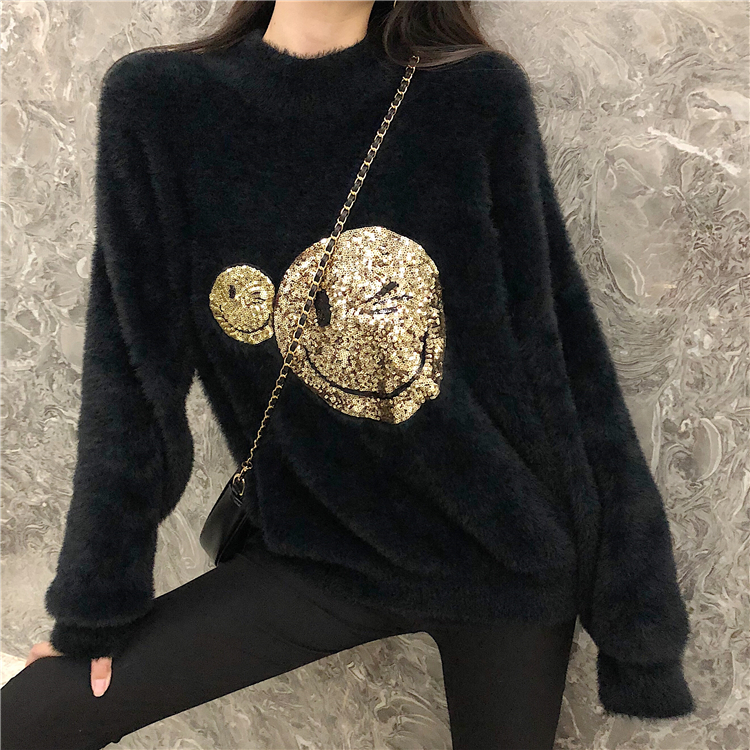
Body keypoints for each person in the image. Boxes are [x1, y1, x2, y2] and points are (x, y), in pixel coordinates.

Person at [1, 1, 695, 748]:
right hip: (317, 551)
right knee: (30, 719)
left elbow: (560, 356)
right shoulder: (162, 102)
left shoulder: (474, 96)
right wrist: (95, 608)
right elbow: (131, 381)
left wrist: (638, 623)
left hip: (503, 556)